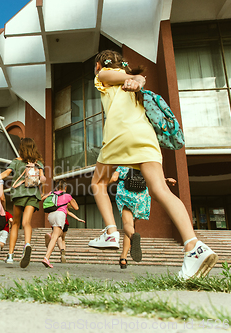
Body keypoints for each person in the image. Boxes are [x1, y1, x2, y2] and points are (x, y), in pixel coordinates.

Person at [89, 50, 218, 279]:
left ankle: (110, 232)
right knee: (161, 191)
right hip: (146, 139)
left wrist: (137, 79)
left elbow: (114, 77)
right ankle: (193, 246)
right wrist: (137, 79)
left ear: (99, 65)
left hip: (121, 136)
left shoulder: (105, 74)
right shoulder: (129, 80)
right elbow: (135, 79)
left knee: (98, 182)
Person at [0, 138, 46, 268]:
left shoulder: (16, 161)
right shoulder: (38, 163)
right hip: (33, 194)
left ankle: (10, 255)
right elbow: (42, 179)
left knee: (15, 223)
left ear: (22, 148)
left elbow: (7, 172)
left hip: (19, 194)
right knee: (27, 223)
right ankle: (27, 244)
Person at [40, 180, 80, 268]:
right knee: (56, 237)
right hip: (60, 215)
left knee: (56, 235)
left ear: (57, 187)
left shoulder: (52, 193)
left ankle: (50, 237)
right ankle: (46, 258)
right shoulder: (67, 195)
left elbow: (42, 198)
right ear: (65, 187)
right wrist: (71, 200)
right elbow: (76, 207)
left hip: (51, 215)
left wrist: (50, 193)